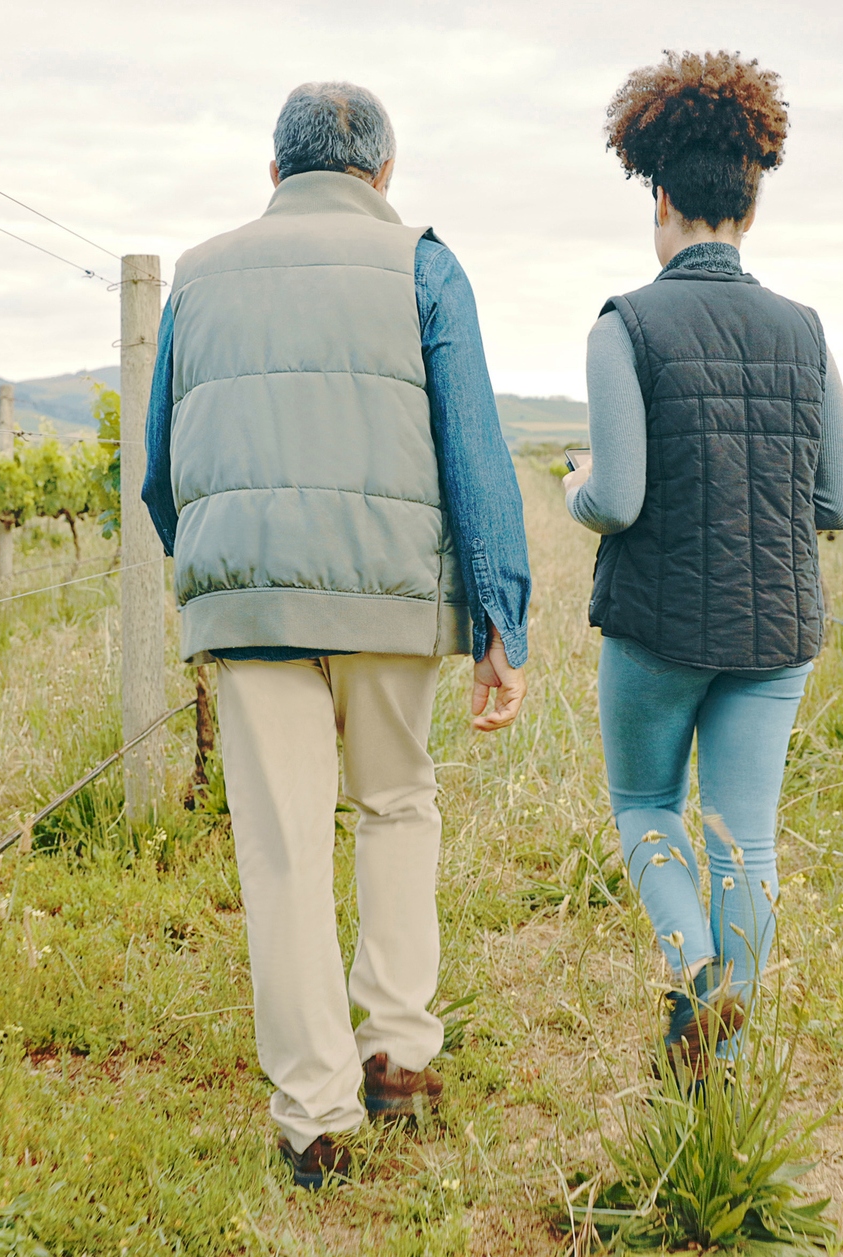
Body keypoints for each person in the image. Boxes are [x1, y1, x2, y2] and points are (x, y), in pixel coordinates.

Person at [142, 81, 531, 1188]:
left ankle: (313, 1114)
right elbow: (473, 449)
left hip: (249, 595)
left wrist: (214, 570)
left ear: (274, 176)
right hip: (389, 595)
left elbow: (162, 468)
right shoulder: (422, 262)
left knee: (280, 849)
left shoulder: (199, 272)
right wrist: (498, 617)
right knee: (396, 802)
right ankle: (398, 1055)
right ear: (384, 173)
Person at [564, 51, 843, 1076]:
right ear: (749, 201)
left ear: (659, 198)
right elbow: (839, 504)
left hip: (656, 625)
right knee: (748, 843)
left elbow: (616, 499)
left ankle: (692, 972)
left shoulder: (625, 325)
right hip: (775, 632)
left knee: (646, 806)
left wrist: (570, 484)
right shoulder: (807, 332)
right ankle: (723, 1060)